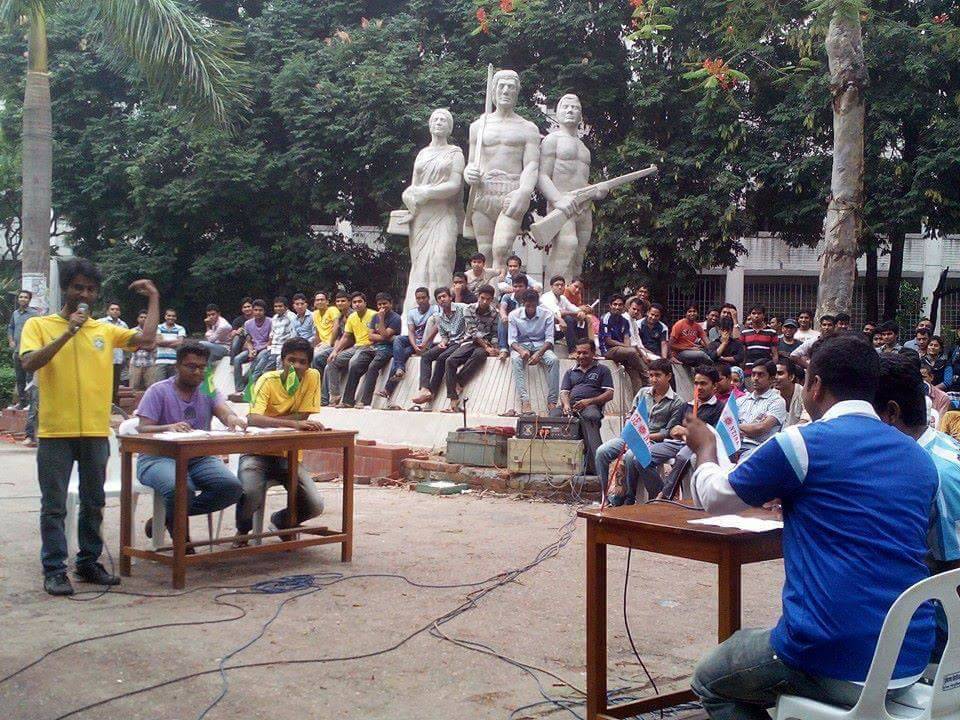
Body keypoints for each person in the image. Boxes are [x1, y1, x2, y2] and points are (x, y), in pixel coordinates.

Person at [685, 334, 938, 719]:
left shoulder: (801, 443)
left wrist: (704, 447)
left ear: (815, 386)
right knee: (748, 643)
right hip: (910, 655)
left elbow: (716, 497)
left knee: (710, 680)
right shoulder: (918, 457)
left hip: (832, 655)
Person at [20, 258, 160, 596]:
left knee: (94, 501)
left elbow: (146, 338)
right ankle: (54, 569)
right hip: (56, 432)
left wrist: (153, 297)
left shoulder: (104, 330)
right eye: (78, 287)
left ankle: (87, 562)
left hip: (96, 431)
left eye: (91, 289)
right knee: (54, 506)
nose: (84, 293)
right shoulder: (40, 325)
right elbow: (29, 362)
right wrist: (67, 333)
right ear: (65, 289)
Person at [872, 353, 960, 658]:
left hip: (941, 633)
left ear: (891, 414)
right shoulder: (932, 448)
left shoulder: (935, 472)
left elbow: (953, 573)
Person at [135, 343, 244, 548]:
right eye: (191, 367)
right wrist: (168, 427)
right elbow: (143, 429)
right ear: (177, 366)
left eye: (202, 367)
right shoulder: (158, 391)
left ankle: (167, 517)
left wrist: (232, 419)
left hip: (198, 457)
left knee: (231, 488)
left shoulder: (207, 387)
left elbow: (222, 410)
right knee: (181, 488)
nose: (198, 372)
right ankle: (181, 544)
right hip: (158, 457)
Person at [235, 338, 325, 546]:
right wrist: (293, 423)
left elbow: (304, 417)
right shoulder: (267, 380)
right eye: (291, 360)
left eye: (303, 362)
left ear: (309, 364)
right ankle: (242, 532)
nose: (297, 366)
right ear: (282, 360)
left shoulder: (313, 377)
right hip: (257, 453)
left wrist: (276, 422)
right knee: (249, 493)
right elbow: (253, 418)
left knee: (315, 505)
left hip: (289, 455)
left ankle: (281, 521)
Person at [464, 70, 540, 271]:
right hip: (483, 192)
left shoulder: (528, 128)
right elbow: (472, 162)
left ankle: (501, 297)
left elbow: (532, 165)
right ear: (493, 90)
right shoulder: (478, 126)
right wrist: (469, 172)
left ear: (517, 92)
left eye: (511, 87)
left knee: (501, 248)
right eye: (501, 86)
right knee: (485, 251)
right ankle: (488, 297)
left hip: (511, 192)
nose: (506, 90)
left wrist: (524, 192)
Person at [596, 358, 685, 504]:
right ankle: (605, 496)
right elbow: (631, 415)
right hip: (631, 436)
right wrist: (630, 429)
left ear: (668, 376)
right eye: (651, 375)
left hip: (653, 441)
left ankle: (630, 498)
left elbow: (668, 432)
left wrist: (643, 436)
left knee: (632, 455)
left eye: (657, 375)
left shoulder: (677, 402)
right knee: (602, 451)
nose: (653, 379)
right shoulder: (643, 393)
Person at [553, 339, 613, 474]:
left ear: (593, 353)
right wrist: (567, 405)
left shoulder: (602, 370)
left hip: (591, 406)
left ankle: (597, 468)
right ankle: (557, 465)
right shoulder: (570, 372)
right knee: (553, 417)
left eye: (585, 353)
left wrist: (589, 401)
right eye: (578, 353)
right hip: (572, 406)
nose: (580, 356)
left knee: (590, 416)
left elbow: (609, 394)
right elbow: (564, 392)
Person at [443, 285, 499, 412]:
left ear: (492, 299)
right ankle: (453, 396)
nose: (485, 301)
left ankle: (458, 382)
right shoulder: (469, 309)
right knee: (450, 360)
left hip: (486, 343)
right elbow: (473, 331)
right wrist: (487, 347)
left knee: (479, 355)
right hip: (470, 341)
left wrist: (494, 348)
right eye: (482, 298)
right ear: (478, 297)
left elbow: (495, 333)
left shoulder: (495, 313)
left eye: (488, 299)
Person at [409, 287, 467, 407]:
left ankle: (433, 391)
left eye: (444, 296)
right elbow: (444, 335)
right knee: (426, 356)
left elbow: (473, 318)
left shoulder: (462, 308)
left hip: (462, 341)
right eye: (439, 298)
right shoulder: (439, 316)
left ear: (450, 297)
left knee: (442, 358)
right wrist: (443, 341)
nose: (442, 299)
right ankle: (425, 389)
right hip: (450, 342)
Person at [378, 287, 438, 402]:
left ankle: (388, 389)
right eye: (418, 298)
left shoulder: (435, 309)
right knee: (398, 341)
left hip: (430, 342)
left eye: (423, 298)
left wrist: (425, 343)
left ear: (428, 298)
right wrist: (415, 346)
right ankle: (400, 370)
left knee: (402, 354)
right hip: (416, 342)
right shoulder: (412, 312)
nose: (421, 300)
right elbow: (411, 331)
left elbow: (436, 328)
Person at [508, 289, 560, 416]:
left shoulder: (547, 314)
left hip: (541, 346)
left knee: (554, 360)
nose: (531, 308)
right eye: (527, 305)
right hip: (521, 345)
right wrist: (521, 351)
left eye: (533, 305)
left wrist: (539, 353)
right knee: (515, 360)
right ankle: (525, 401)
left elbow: (549, 339)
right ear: (522, 303)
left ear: (537, 303)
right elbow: (512, 340)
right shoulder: (514, 315)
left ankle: (552, 401)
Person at [348, 293, 402, 409]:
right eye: (379, 304)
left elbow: (385, 334)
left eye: (385, 304)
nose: (382, 307)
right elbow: (370, 336)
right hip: (373, 347)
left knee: (372, 367)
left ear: (390, 304)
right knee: (355, 365)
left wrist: (382, 320)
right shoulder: (374, 317)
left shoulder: (396, 318)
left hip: (387, 349)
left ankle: (366, 402)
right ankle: (347, 400)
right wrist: (384, 336)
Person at [325, 292, 376, 407]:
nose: (357, 304)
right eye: (355, 302)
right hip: (356, 347)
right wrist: (335, 351)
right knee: (332, 361)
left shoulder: (374, 315)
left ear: (365, 303)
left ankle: (348, 400)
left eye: (359, 302)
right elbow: (346, 336)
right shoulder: (352, 317)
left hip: (370, 347)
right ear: (352, 304)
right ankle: (335, 395)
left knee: (353, 362)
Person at [737, 360, 787, 457]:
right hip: (736, 446)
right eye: (753, 374)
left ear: (772, 379)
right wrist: (748, 428)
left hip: (759, 450)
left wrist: (736, 426)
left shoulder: (777, 401)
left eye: (760, 375)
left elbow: (761, 428)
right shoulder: (740, 401)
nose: (755, 378)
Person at [600, 294, 646, 393]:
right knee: (633, 352)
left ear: (623, 306)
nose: (617, 307)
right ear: (610, 305)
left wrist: (627, 347)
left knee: (636, 378)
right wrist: (627, 347)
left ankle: (637, 406)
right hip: (609, 351)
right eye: (615, 304)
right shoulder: (606, 318)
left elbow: (627, 339)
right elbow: (608, 340)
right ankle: (647, 375)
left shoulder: (625, 321)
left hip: (624, 352)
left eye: (620, 305)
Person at [249, 296, 297, 384]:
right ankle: (249, 390)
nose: (278, 308)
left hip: (283, 349)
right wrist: (268, 346)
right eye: (276, 306)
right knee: (259, 367)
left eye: (280, 306)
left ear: (286, 307)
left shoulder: (291, 317)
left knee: (266, 372)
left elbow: (293, 335)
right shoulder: (274, 317)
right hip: (272, 348)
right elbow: (272, 334)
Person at [8, 289, 39, 409]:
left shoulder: (34, 314)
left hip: (29, 351)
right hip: (17, 351)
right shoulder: (15, 313)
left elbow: (38, 330)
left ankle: (32, 403)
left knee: (30, 377)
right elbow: (11, 327)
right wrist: (11, 340)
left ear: (29, 300)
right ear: (18, 299)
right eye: (21, 297)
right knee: (19, 378)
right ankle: (22, 402)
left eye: (25, 297)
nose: (23, 299)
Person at [233, 299, 271, 392]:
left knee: (260, 356)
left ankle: (247, 380)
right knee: (237, 359)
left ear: (264, 311)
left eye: (260, 310)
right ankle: (239, 387)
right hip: (253, 347)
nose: (258, 312)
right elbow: (248, 340)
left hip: (265, 348)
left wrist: (258, 350)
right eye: (256, 310)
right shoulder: (248, 323)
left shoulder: (271, 322)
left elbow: (271, 341)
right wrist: (250, 350)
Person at [540, 275, 583, 354]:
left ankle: (585, 347)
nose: (560, 287)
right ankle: (572, 351)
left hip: (557, 330)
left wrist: (581, 312)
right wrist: (577, 313)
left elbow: (573, 308)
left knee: (583, 319)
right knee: (568, 319)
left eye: (562, 285)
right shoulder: (547, 297)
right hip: (545, 332)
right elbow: (559, 312)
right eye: (557, 285)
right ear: (551, 287)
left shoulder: (562, 298)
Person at [98, 300, 129, 406]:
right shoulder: (101, 322)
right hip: (103, 358)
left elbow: (127, 341)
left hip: (117, 358)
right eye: (112, 309)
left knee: (115, 383)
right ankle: (102, 404)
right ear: (107, 311)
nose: (115, 311)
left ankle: (113, 406)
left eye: (117, 309)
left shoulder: (123, 325)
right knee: (102, 382)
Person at [497, 273, 530, 359]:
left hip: (526, 326)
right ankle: (503, 349)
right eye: (515, 286)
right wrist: (504, 316)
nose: (517, 289)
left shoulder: (530, 298)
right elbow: (502, 308)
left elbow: (542, 310)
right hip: (510, 324)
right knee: (502, 319)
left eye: (520, 286)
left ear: (526, 287)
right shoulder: (507, 297)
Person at [310, 290, 341, 379]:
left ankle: (319, 384)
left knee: (315, 357)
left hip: (333, 343)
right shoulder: (315, 314)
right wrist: (316, 345)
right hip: (323, 344)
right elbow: (317, 332)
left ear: (327, 301)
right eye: (317, 300)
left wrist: (330, 342)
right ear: (315, 303)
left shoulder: (332, 310)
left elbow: (336, 326)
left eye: (322, 299)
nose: (319, 302)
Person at [740, 305, 779, 370]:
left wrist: (773, 371)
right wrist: (742, 370)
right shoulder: (744, 333)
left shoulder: (772, 332)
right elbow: (743, 354)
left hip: (765, 369)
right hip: (749, 369)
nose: (756, 316)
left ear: (763, 315)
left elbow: (775, 354)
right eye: (753, 313)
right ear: (750, 315)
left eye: (759, 313)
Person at [152, 308, 186, 384]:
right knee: (159, 386)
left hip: (175, 361)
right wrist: (174, 341)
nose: (171, 318)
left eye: (173, 316)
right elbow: (158, 341)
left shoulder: (180, 328)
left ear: (176, 318)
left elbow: (180, 342)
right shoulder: (159, 327)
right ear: (165, 316)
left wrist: (163, 342)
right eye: (169, 315)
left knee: (174, 386)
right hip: (161, 361)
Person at [775, 357, 807, 427]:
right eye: (774, 374)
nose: (775, 377)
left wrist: (788, 434)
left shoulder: (804, 393)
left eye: (780, 373)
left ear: (791, 377)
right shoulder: (773, 394)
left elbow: (806, 419)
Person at [128, 310, 155, 391]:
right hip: (135, 363)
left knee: (150, 389)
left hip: (149, 363)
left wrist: (139, 344)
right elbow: (131, 346)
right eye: (141, 317)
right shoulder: (132, 331)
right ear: (138, 319)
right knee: (133, 389)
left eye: (146, 318)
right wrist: (146, 344)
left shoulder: (153, 331)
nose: (143, 319)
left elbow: (153, 346)